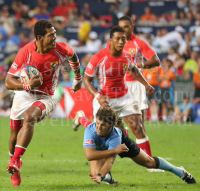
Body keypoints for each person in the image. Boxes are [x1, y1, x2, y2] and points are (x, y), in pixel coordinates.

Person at [5, 19, 82, 186]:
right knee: (12, 138)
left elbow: (73, 56)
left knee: (29, 116)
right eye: (51, 35)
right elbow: (8, 81)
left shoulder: (61, 49)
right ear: (39, 37)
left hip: (47, 97)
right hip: (24, 94)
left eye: (55, 34)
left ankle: (15, 161)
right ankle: (15, 161)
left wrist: (78, 78)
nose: (55, 37)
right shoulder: (25, 52)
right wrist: (26, 84)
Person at [74, 16, 160, 158]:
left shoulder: (127, 56)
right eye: (118, 39)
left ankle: (149, 163)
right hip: (105, 99)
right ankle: (81, 118)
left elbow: (134, 70)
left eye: (123, 39)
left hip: (125, 97)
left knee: (138, 127)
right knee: (100, 134)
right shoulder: (98, 57)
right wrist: (98, 96)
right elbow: (87, 79)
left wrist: (147, 84)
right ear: (110, 41)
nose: (121, 42)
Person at [84, 106, 196, 184]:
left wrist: (101, 174)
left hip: (123, 144)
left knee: (149, 162)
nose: (98, 127)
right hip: (108, 148)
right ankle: (110, 179)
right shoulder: (90, 130)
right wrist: (100, 175)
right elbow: (89, 155)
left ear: (112, 125)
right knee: (95, 174)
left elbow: (110, 161)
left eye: (103, 125)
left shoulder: (116, 135)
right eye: (98, 123)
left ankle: (179, 171)